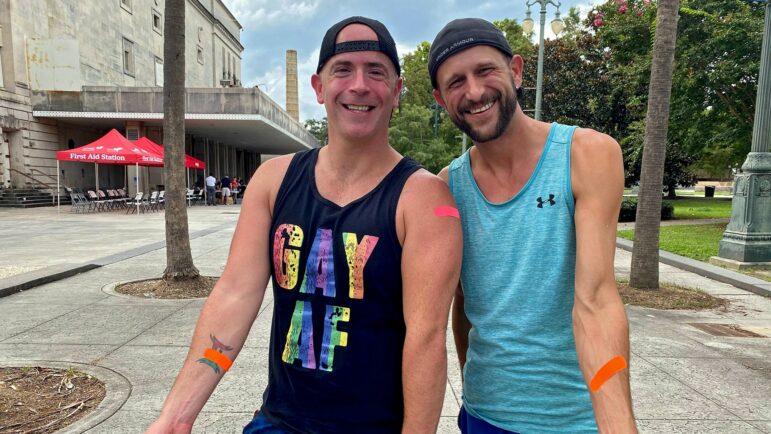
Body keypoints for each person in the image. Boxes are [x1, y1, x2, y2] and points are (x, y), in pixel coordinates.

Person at [146, 16, 461, 434]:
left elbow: (425, 340)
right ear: (318, 87)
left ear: (397, 91)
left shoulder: (423, 199)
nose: (359, 85)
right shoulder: (274, 181)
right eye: (343, 70)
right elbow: (235, 295)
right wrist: (176, 416)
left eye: (376, 72)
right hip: (280, 422)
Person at [429, 18, 636, 434]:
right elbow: (462, 304)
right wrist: (473, 393)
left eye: (485, 70)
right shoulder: (446, 187)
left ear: (517, 71)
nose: (474, 92)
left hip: (577, 419)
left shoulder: (587, 155)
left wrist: (617, 424)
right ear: (440, 99)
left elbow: (596, 301)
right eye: (455, 82)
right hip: (484, 418)